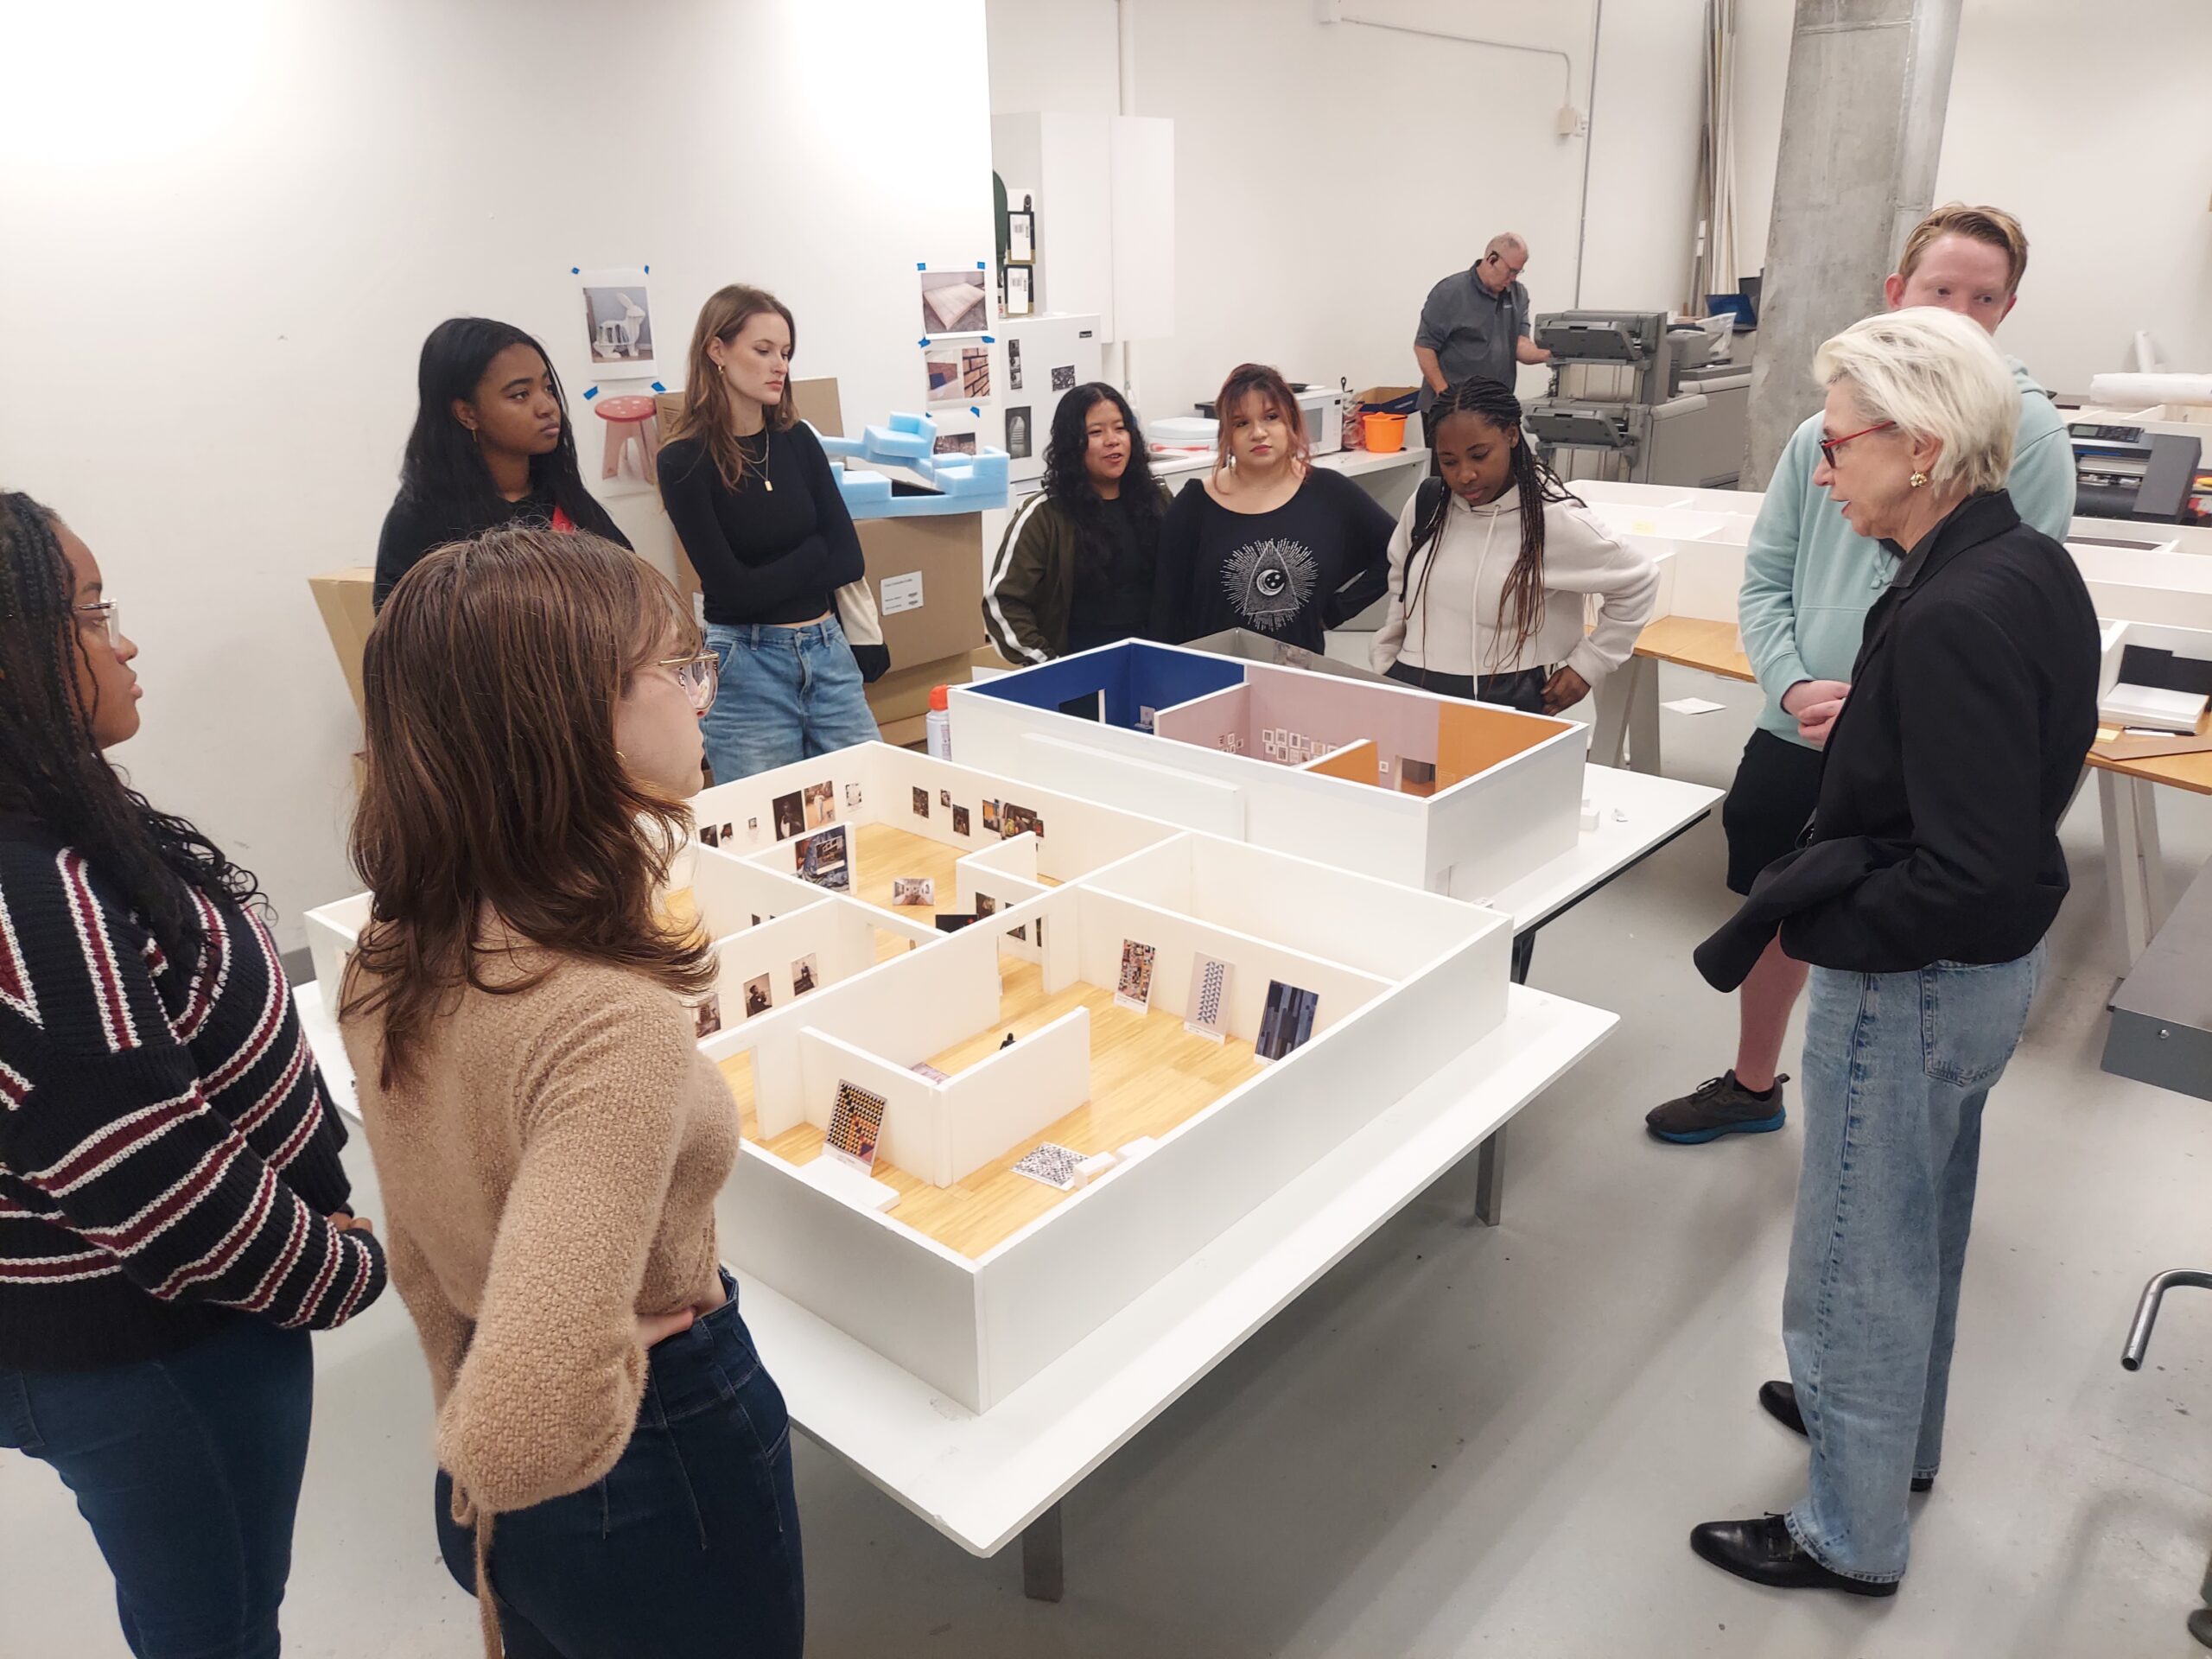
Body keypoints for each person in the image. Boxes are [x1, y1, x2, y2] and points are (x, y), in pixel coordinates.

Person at [1686, 307, 2098, 1596]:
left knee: (1858, 1254)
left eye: (1841, 443)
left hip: (1918, 985)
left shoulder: (1954, 611)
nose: (1823, 469)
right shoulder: (2019, 566)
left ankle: (1847, 1532)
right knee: (1921, 1227)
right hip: (1984, 982)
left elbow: (1960, 872)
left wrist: (1829, 925)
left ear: (1921, 446)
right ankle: (1886, 1438)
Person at [340, 526, 801, 1659]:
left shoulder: (392, 951)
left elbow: (421, 1255)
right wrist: (545, 1413)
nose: (704, 697)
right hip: (659, 1453)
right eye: (679, 665)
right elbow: (527, 1426)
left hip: (509, 1496)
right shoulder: (604, 1014)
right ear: (568, 712)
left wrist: (477, 1435)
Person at [0, 492, 387, 1658]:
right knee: (214, 1622)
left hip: (148, 1329)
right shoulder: (30, 900)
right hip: (160, 1346)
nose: (123, 641)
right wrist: (344, 1267)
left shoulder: (48, 825)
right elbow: (160, 1184)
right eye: (87, 613)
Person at [1646, 202, 2078, 1144]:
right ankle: (1753, 1080)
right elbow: (1766, 583)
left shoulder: (2026, 444)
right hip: (1801, 725)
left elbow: (1996, 617)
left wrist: (1887, 712)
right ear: (1897, 293)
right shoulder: (1829, 433)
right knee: (1779, 887)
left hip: (1910, 741)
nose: (1960, 313)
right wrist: (1796, 686)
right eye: (1940, 291)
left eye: (1983, 298)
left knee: (1882, 921)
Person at [659, 283, 880, 781]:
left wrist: (778, 571)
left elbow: (850, 560)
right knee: (768, 830)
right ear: (717, 350)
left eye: (785, 353)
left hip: (827, 651)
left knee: (870, 801)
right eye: (762, 351)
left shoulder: (797, 440)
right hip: (746, 665)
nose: (779, 365)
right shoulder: (684, 460)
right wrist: (814, 549)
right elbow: (731, 591)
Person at [1372, 378, 1657, 715]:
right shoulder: (1428, 504)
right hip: (1412, 691)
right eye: (1449, 461)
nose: (1465, 475)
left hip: (1506, 701)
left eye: (1479, 455)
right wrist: (1387, 662)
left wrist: (1589, 664)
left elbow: (1639, 581)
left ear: (1510, 434)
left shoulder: (1552, 521)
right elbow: (1402, 587)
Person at [373, 317, 627, 609]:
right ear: (467, 414)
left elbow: (634, 588)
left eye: (547, 388)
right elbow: (407, 641)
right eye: (520, 395)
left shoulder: (563, 496)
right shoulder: (419, 521)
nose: (547, 407)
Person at [1150, 363, 1395, 652]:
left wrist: (1337, 611)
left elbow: (1400, 548)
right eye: (1241, 423)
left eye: (1271, 417)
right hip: (1213, 675)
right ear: (1226, 435)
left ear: (1290, 422)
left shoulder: (1329, 492)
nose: (1258, 433)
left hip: (1297, 676)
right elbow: (1164, 609)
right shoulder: (1195, 504)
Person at [984, 381, 1174, 662]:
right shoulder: (1043, 515)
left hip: (1155, 657)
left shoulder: (1157, 498)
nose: (1112, 440)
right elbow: (1003, 603)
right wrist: (1051, 667)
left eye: (1120, 428)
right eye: (1095, 432)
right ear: (1072, 444)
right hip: (1081, 666)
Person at [1414, 233, 1553, 448]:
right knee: (1452, 478)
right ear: (1492, 259)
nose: (1514, 278)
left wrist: (1552, 355)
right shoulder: (1450, 292)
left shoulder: (1518, 295)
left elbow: (1519, 345)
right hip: (1451, 413)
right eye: (1511, 271)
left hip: (1495, 411)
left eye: (1519, 271)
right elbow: (1424, 348)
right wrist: (1447, 397)